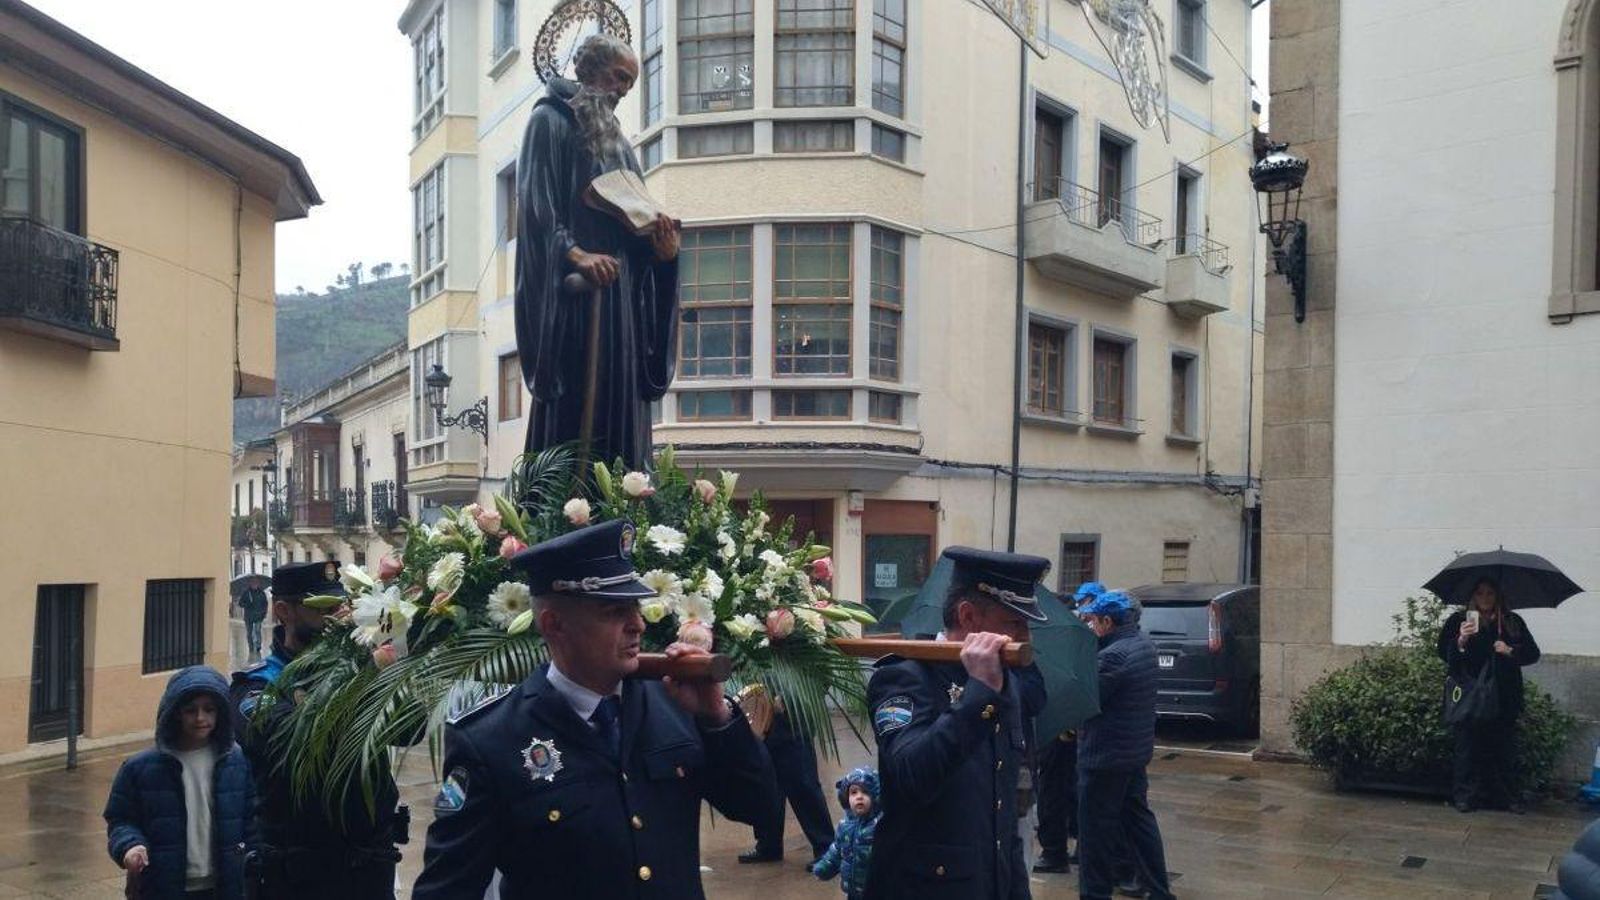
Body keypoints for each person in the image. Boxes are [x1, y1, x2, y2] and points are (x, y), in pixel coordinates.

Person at [412, 520, 781, 899]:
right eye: (613, 611)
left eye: (635, 608)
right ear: (554, 625)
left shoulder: (675, 701)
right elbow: (445, 891)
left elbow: (761, 810)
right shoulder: (490, 740)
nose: (636, 624)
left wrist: (716, 717)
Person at [515, 32, 680, 469]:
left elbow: (638, 222)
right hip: (577, 300)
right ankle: (566, 514)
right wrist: (575, 255)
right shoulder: (548, 122)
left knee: (621, 420)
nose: (623, 89)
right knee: (575, 426)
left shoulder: (620, 147)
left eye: (630, 83)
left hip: (622, 304)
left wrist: (662, 254)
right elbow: (537, 208)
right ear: (588, 70)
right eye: (619, 77)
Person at [864, 546, 1048, 899]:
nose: (1026, 638)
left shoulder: (1005, 681)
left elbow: (1003, 819)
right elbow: (910, 776)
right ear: (968, 617)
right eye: (1015, 624)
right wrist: (977, 695)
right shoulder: (903, 677)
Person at [230, 561, 405, 898]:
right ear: (283, 611)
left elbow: (409, 729)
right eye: (322, 607)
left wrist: (390, 673)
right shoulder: (255, 686)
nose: (337, 614)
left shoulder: (361, 667)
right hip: (299, 878)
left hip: (369, 867)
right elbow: (292, 741)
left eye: (340, 604)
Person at [104, 666, 257, 899]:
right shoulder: (140, 768)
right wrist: (130, 846)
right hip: (164, 886)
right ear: (175, 712)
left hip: (224, 886)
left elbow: (250, 819)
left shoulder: (235, 760)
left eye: (209, 710)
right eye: (191, 710)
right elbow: (121, 820)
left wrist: (254, 863)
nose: (200, 718)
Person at [1076, 591, 1173, 900]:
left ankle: (1094, 894)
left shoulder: (1112, 656)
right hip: (1134, 752)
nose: (1090, 626)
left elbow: (1086, 702)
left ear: (1108, 621)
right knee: (1139, 822)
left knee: (1094, 835)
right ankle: (1159, 890)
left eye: (1093, 621)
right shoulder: (1143, 644)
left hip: (1105, 758)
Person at [1436, 577, 1542, 813]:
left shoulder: (1512, 622)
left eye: (1490, 593)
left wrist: (1510, 649)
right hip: (1470, 694)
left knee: (1504, 748)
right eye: (1480, 593)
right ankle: (1465, 796)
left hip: (1504, 695)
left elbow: (1533, 654)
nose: (1485, 598)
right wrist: (1461, 641)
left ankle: (1507, 797)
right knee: (1468, 747)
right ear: (1473, 596)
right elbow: (1444, 653)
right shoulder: (1459, 621)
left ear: (1498, 597)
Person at [1033, 580, 1108, 874]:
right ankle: (1077, 845)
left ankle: (1054, 852)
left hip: (1057, 723)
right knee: (1071, 788)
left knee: (1053, 789)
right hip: (1071, 724)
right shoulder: (1080, 634)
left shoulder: (1056, 638)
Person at [739, 697, 837, 868]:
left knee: (803, 784)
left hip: (794, 721)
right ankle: (768, 846)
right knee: (766, 787)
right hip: (764, 722)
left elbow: (822, 675)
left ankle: (826, 849)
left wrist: (789, 696)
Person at [814, 767, 883, 900]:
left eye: (865, 792)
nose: (859, 797)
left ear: (876, 796)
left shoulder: (880, 825)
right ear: (846, 797)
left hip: (876, 889)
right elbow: (836, 851)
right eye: (853, 792)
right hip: (853, 890)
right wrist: (824, 869)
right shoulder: (845, 826)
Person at [239, 576, 269, 661]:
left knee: (257, 631)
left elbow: (265, 604)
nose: (254, 584)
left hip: (258, 616)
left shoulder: (261, 593)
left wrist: (264, 614)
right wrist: (247, 604)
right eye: (253, 583)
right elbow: (240, 603)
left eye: (256, 583)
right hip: (248, 617)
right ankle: (251, 647)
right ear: (250, 584)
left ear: (258, 584)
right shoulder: (246, 593)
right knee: (249, 633)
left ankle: (258, 646)